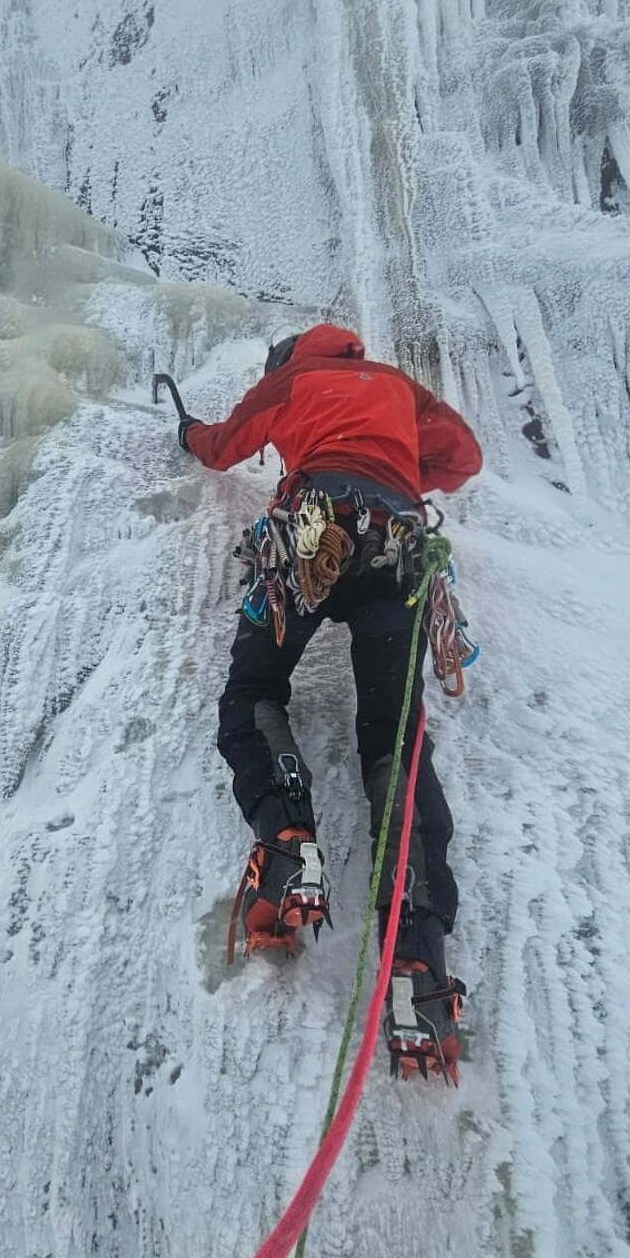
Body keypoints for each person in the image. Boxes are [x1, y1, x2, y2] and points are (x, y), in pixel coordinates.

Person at [178, 323, 482, 1077]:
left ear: (286, 356)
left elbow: (223, 446)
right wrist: (400, 468)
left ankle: (287, 848)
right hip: (399, 546)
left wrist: (187, 431)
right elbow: (464, 457)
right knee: (394, 738)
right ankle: (417, 960)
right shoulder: (396, 385)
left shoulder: (291, 381)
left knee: (254, 687)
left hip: (312, 530)